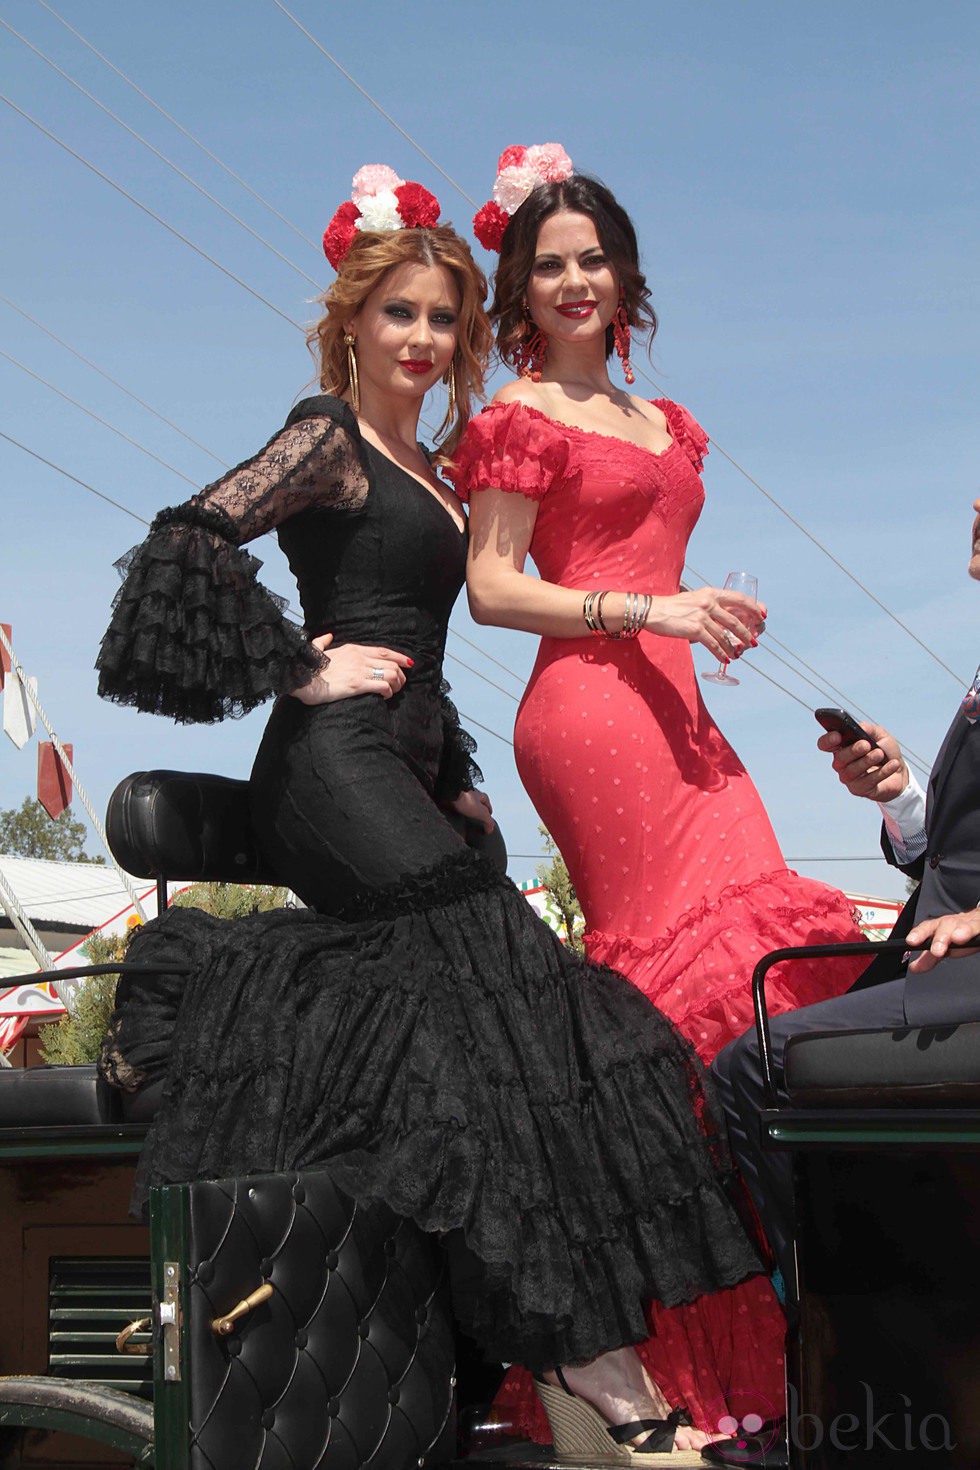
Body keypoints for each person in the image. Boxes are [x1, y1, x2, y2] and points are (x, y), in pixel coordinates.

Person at [95, 165, 768, 1463]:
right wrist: (294, 664)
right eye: (397, 312)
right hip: (326, 764)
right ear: (351, 323)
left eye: (443, 319)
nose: (420, 338)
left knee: (539, 1024)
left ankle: (560, 1375)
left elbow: (435, 639)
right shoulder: (327, 437)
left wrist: (454, 774)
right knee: (490, 1022)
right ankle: (607, 1382)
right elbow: (185, 536)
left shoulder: (432, 467)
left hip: (401, 774)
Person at [451, 144, 870, 1443]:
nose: (576, 278)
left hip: (681, 709)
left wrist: (697, 621)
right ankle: (676, 1358)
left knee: (764, 949)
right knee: (671, 1003)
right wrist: (655, 604)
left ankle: (798, 1317)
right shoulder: (519, 413)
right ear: (522, 288)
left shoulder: (665, 419)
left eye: (593, 258)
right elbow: (493, 585)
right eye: (550, 263)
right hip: (588, 712)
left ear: (625, 275)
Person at [712, 490, 980, 1303]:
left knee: (757, 1065)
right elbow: (957, 856)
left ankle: (834, 1333)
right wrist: (898, 799)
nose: (972, 551)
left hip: (962, 985)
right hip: (934, 966)